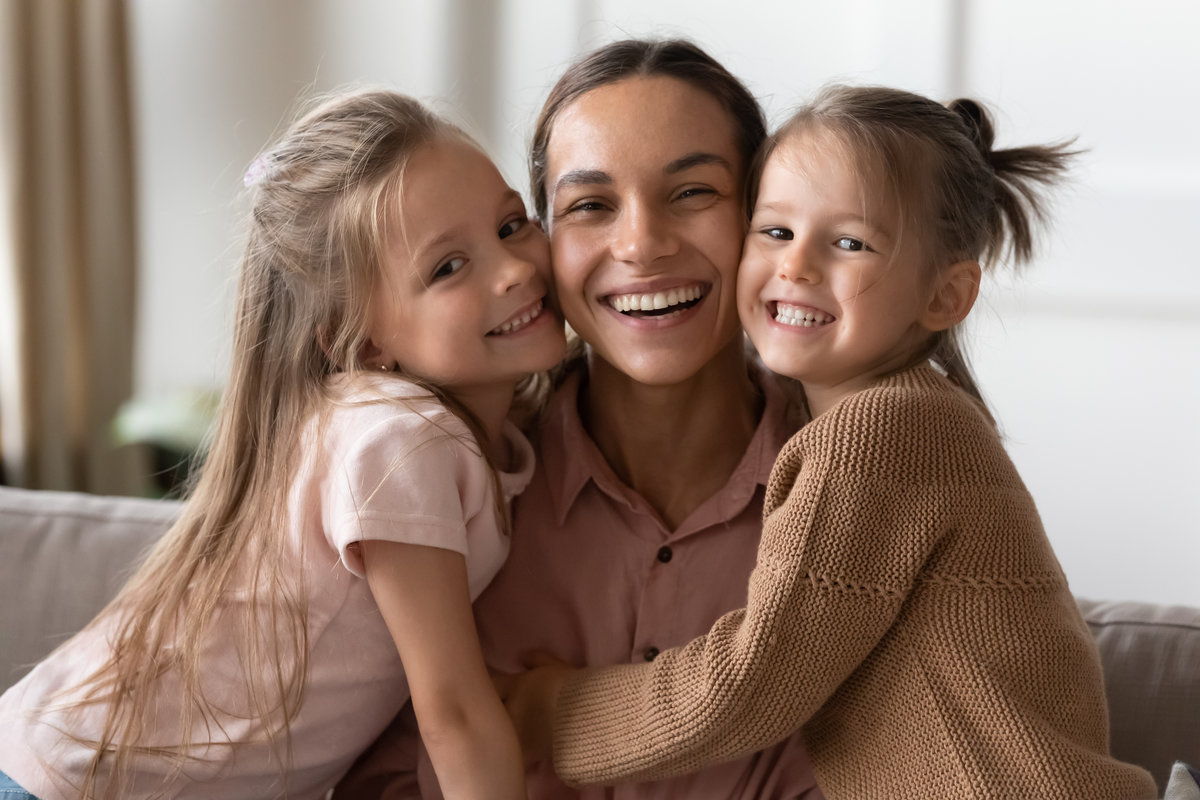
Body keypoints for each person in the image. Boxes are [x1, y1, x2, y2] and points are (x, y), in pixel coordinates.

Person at [500, 86, 1161, 799]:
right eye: (777, 232)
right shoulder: (903, 422)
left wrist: (552, 710)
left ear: (945, 297)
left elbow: (755, 680)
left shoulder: (881, 433)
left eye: (849, 243)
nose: (798, 268)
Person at [0, 88, 566, 800]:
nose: (513, 268)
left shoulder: (471, 432)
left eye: (513, 224)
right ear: (364, 343)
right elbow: (453, 712)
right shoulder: (400, 440)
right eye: (448, 267)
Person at [334, 39, 823, 799]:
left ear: (763, 216)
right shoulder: (449, 493)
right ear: (545, 241)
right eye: (591, 205)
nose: (642, 244)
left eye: (693, 192)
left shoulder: (856, 493)